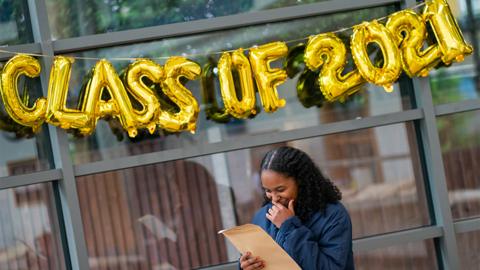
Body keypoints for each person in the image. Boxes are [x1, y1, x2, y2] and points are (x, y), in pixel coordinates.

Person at [239, 146, 354, 270]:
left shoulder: (333, 215)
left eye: (280, 190)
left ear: (301, 182)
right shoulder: (262, 216)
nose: (274, 198)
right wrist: (245, 266)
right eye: (268, 190)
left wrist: (289, 228)